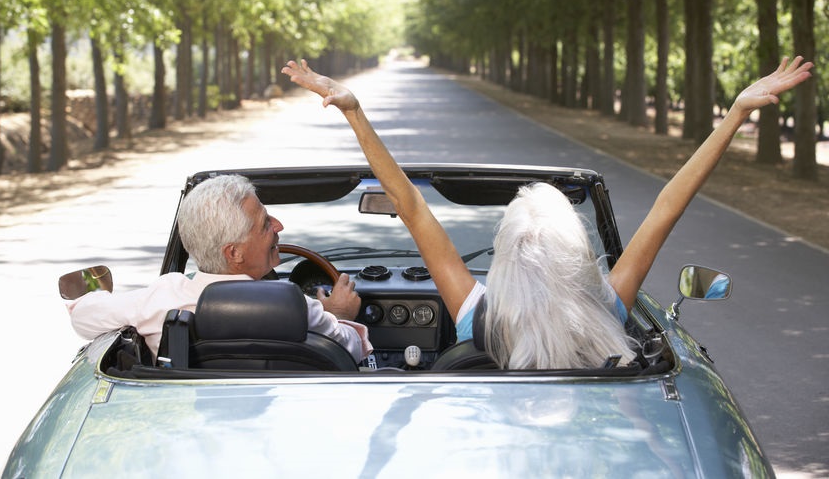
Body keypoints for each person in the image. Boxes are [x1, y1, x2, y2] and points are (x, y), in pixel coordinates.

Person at [283, 56, 813, 370]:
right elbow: (668, 205)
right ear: (580, 257)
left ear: (507, 256)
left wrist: (354, 111)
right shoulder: (608, 308)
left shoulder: (479, 319)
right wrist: (736, 112)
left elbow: (413, 208)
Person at [67, 174, 372, 363]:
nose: (279, 226)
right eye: (265, 224)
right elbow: (352, 349)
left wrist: (93, 289)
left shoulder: (161, 299)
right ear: (234, 252)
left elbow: (82, 315)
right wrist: (341, 315)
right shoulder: (297, 306)